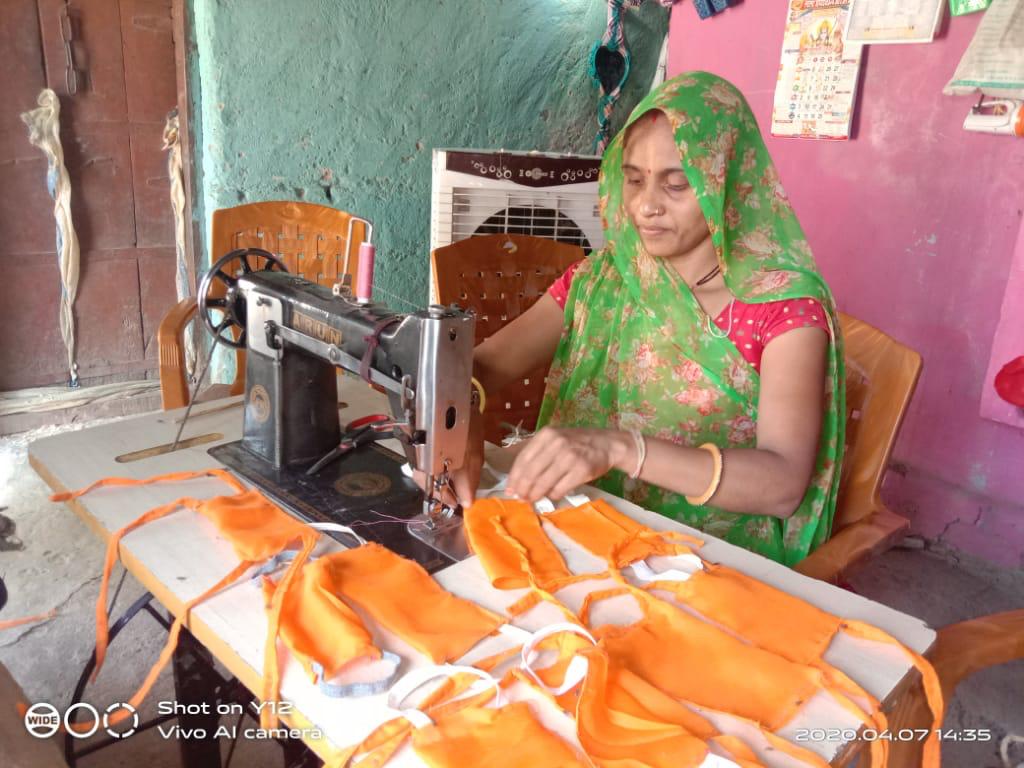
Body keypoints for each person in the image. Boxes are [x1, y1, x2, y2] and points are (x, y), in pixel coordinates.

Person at [453, 71, 845, 566]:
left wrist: (622, 449)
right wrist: (459, 408)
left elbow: (783, 484)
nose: (645, 206)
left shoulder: (783, 311)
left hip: (709, 557)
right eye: (634, 179)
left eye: (677, 185)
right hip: (590, 522)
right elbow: (483, 368)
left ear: (727, 184)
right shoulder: (604, 279)